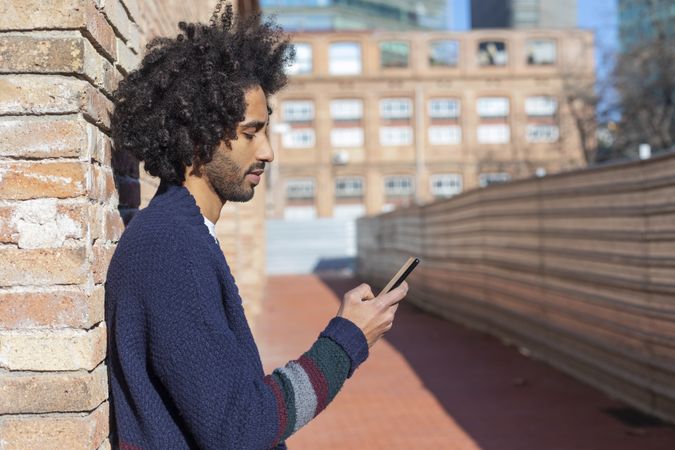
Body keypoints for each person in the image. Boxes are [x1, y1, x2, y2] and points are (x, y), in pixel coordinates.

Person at [105, 2, 408, 449]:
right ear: (197, 136)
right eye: (251, 133)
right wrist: (347, 340)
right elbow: (240, 426)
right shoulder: (168, 250)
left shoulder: (184, 235)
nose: (267, 152)